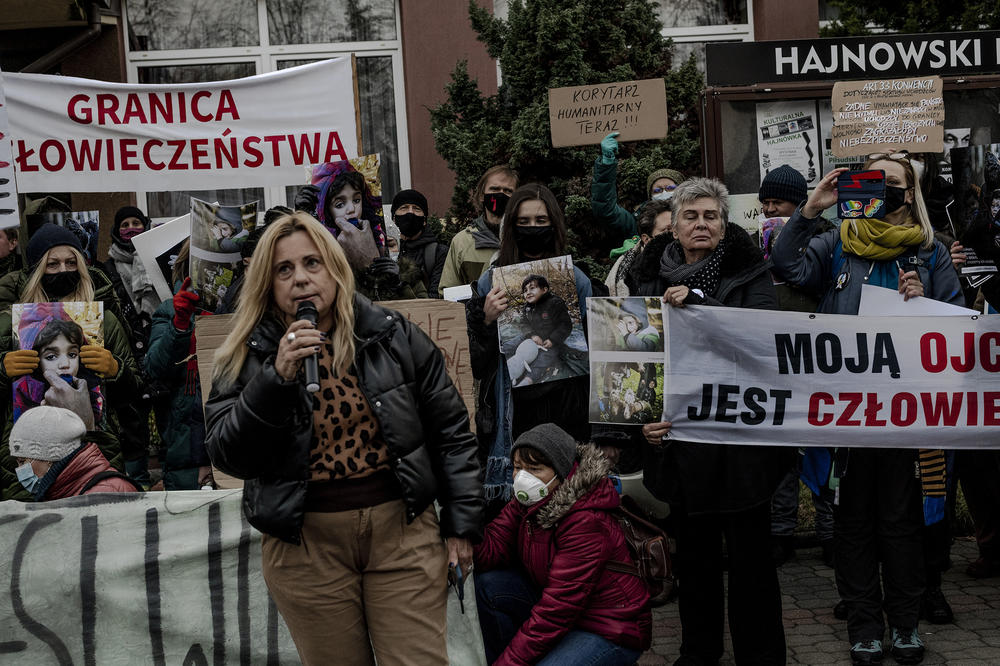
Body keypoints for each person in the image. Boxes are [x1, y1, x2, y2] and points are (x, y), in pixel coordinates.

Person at [204, 211, 483, 665]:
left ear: (335, 268)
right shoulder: (246, 355)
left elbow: (451, 432)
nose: (300, 280)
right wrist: (276, 378)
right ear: (268, 284)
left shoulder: (394, 336)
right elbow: (229, 454)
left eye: (312, 264)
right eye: (284, 269)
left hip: (402, 534)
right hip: (307, 549)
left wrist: (461, 525)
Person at [772, 155, 965, 666]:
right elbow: (787, 265)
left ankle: (904, 624)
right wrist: (812, 208)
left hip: (907, 416)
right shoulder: (837, 242)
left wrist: (925, 304)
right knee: (853, 523)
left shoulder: (929, 252)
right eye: (873, 182)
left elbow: (958, 329)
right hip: (847, 416)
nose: (882, 192)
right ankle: (864, 626)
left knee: (903, 524)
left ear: (910, 193)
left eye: (893, 185)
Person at [633, 177, 788, 666]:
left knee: (752, 564)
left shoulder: (751, 273)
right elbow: (636, 359)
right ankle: (698, 653)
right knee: (695, 564)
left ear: (724, 224)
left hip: (743, 446)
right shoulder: (646, 278)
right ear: (674, 225)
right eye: (691, 216)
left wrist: (701, 306)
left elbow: (761, 342)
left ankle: (760, 656)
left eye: (711, 216)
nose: (701, 224)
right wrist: (644, 421)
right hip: (681, 445)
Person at [475, 424, 651, 665]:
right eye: (517, 468)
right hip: (565, 611)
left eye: (535, 469)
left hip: (608, 627)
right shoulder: (527, 502)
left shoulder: (585, 520)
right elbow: (490, 550)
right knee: (488, 586)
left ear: (561, 472)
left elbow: (556, 611)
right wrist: (462, 526)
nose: (523, 478)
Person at [467, 183, 593, 507]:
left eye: (541, 221)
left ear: (554, 224)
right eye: (523, 222)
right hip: (513, 409)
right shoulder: (489, 282)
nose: (532, 229)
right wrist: (484, 319)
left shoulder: (577, 280)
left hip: (563, 406)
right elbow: (477, 365)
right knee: (516, 503)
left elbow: (590, 354)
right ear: (511, 226)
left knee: (561, 502)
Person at [0, 224, 141, 500]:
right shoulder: (9, 325)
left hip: (93, 451)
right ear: (37, 271)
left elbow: (135, 392)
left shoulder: (104, 321)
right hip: (24, 458)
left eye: (70, 262)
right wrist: (1, 370)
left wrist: (116, 370)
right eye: (52, 264)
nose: (63, 270)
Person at [295, 161, 426, 300]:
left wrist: (396, 283)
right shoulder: (323, 267)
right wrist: (302, 224)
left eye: (357, 200)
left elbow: (422, 312)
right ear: (326, 212)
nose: (351, 209)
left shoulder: (399, 267)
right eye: (340, 204)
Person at [144, 241, 215, 490]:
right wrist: (180, 324)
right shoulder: (168, 310)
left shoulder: (247, 308)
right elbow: (154, 368)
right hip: (187, 446)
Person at [11, 406, 140, 500]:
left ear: (50, 456)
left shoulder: (105, 493)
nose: (20, 470)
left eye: (22, 461)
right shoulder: (62, 491)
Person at [591, 131, 685, 240]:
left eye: (670, 188)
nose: (664, 193)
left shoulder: (695, 215)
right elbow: (606, 209)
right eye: (657, 190)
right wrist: (606, 162)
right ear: (650, 196)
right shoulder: (637, 222)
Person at [439, 165, 519, 291]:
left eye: (508, 191)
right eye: (495, 189)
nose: (501, 194)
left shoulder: (525, 237)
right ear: (482, 195)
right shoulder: (462, 242)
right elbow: (448, 293)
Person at [13, 318, 103, 424]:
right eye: (51, 357)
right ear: (37, 362)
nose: (65, 364)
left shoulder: (92, 390)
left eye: (72, 355)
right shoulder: (24, 393)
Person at [505, 274, 572, 386]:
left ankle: (528, 380)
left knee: (545, 359)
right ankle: (502, 355)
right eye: (525, 290)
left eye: (532, 288)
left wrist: (553, 340)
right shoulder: (527, 307)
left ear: (544, 289)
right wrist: (532, 335)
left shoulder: (555, 303)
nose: (528, 292)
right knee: (513, 343)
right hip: (533, 336)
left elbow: (565, 325)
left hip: (551, 341)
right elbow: (524, 323)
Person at [606, 199, 672, 296]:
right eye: (667, 230)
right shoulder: (629, 272)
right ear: (646, 239)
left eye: (677, 228)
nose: (675, 234)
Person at [392, 189, 448, 298]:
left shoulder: (438, 253)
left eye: (416, 209)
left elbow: (436, 299)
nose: (410, 212)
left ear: (424, 220)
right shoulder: (386, 250)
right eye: (404, 208)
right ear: (394, 218)